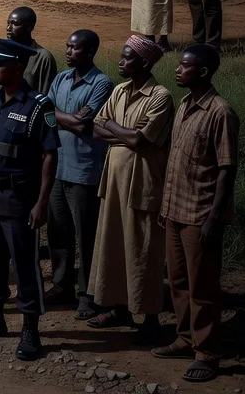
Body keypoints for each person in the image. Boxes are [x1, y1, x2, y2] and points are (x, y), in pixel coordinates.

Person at [0, 38, 59, 362]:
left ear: (17, 67)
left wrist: (41, 203)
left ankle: (30, 329)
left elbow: (49, 156)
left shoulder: (37, 105)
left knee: (24, 266)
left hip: (19, 200)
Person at [155, 44, 239, 383]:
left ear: (203, 72)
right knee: (177, 282)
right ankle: (185, 338)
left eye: (185, 66)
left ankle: (207, 353)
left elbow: (227, 169)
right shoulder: (186, 105)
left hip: (200, 214)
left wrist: (214, 217)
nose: (177, 70)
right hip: (175, 209)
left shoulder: (221, 112)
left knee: (203, 286)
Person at [86, 36, 174, 345]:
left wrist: (114, 127)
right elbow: (96, 128)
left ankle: (150, 318)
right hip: (114, 182)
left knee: (143, 251)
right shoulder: (120, 90)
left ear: (145, 64)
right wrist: (122, 132)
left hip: (142, 185)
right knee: (114, 245)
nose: (121, 62)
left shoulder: (160, 96)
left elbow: (140, 141)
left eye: (127, 58)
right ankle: (118, 309)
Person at [43, 30, 113, 318]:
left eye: (75, 48)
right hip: (57, 168)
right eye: (68, 46)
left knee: (86, 236)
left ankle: (88, 293)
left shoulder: (102, 83)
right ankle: (62, 285)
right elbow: (45, 113)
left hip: (84, 171)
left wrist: (64, 118)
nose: (68, 51)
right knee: (58, 232)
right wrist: (68, 119)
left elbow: (85, 123)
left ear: (90, 52)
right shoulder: (60, 78)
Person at [6, 7, 58, 93]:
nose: (8, 28)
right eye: (8, 23)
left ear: (29, 27)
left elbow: (46, 93)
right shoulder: (7, 52)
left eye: (15, 24)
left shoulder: (44, 58)